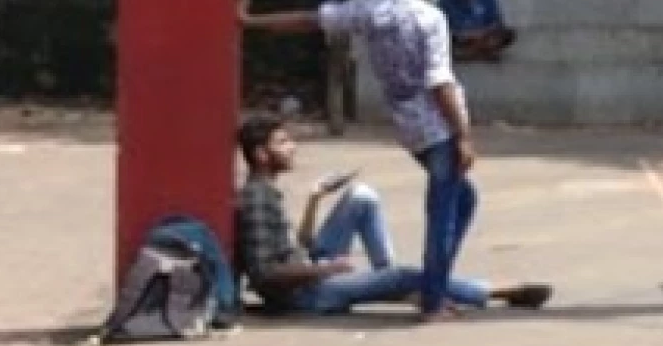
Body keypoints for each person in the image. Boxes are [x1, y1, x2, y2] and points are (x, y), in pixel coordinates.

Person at [240, 0, 479, 321]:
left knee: (462, 199)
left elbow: (310, 20)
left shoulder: (369, 9)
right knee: (444, 213)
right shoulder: (429, 17)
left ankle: (436, 284)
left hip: (409, 126)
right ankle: (433, 299)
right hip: (438, 126)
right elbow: (440, 82)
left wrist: (252, 22)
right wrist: (463, 134)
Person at [234, 114, 551, 316]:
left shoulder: (268, 190)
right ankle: (494, 290)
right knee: (404, 276)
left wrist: (315, 199)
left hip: (307, 269)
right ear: (261, 154)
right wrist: (325, 270)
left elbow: (297, 245)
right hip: (305, 296)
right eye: (282, 143)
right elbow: (266, 274)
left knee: (361, 198)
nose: (292, 147)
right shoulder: (259, 198)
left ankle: (386, 280)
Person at [434, 0, 517, 62]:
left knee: (507, 34)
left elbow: (497, 21)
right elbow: (442, 26)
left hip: (484, 34)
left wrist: (482, 32)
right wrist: (464, 34)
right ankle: (482, 51)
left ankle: (473, 52)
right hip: (461, 36)